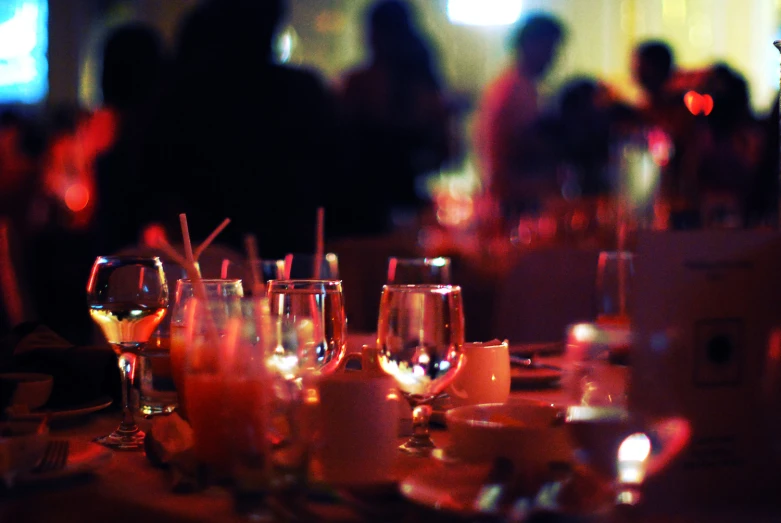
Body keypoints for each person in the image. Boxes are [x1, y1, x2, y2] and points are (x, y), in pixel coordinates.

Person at [138, 0, 338, 258]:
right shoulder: (301, 92)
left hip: (203, 258)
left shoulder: (183, 96)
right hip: (288, 258)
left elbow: (153, 183)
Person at [335, 0, 451, 237]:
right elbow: (446, 153)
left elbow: (337, 153)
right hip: (406, 210)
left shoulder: (358, 85)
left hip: (359, 212)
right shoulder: (424, 88)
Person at [474, 12, 566, 223]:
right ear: (529, 44)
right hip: (513, 205)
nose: (553, 57)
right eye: (549, 47)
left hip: (515, 200)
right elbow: (519, 149)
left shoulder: (519, 86)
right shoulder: (514, 89)